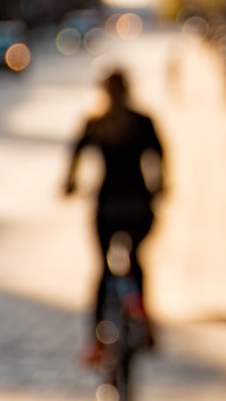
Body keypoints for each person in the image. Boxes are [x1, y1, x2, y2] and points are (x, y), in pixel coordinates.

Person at [64, 69, 164, 366]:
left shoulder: (97, 123)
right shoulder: (142, 121)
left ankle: (95, 340)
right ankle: (142, 319)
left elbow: (75, 157)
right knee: (136, 261)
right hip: (138, 204)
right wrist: (161, 185)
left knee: (103, 268)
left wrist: (69, 184)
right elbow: (161, 155)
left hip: (107, 205)